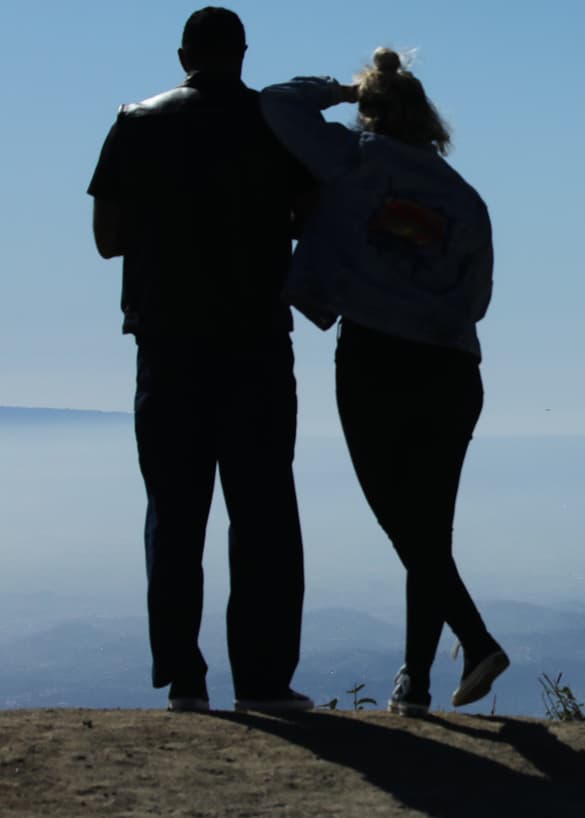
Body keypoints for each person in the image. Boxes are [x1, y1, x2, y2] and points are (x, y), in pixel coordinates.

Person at [259, 48, 507, 716]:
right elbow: (477, 300)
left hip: (376, 358)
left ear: (372, 112)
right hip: (453, 366)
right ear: (426, 118)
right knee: (429, 527)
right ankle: (417, 685)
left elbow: (276, 103)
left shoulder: (352, 158)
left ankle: (477, 640)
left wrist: (344, 89)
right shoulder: (465, 199)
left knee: (404, 525)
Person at [87, 7, 313, 713]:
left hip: (168, 345)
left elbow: (106, 237)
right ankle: (265, 682)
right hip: (255, 346)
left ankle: (185, 680)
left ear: (183, 53)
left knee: (175, 513)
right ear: (243, 55)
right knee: (264, 512)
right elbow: (310, 219)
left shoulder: (136, 121)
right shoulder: (277, 127)